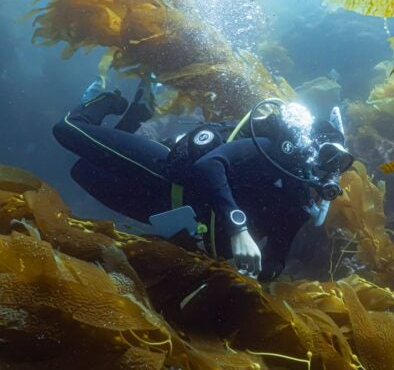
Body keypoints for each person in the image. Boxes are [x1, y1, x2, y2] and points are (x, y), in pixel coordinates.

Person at [53, 77, 353, 280]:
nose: (325, 168)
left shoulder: (297, 204)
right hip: (168, 172)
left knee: (81, 170)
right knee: (66, 129)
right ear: (310, 145)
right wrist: (238, 230)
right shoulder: (273, 150)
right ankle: (103, 101)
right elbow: (211, 165)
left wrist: (258, 279)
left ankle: (137, 113)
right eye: (327, 155)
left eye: (337, 165)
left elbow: (276, 257)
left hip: (165, 214)